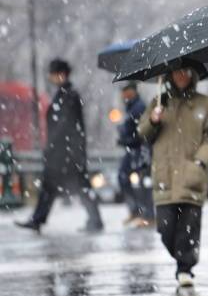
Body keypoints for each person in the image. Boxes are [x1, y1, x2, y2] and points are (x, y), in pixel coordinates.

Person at [137, 63, 208, 288]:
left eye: (186, 70)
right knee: (165, 228)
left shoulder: (206, 104)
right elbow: (142, 134)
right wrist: (153, 120)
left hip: (192, 174)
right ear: (169, 75)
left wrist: (200, 161)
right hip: (164, 175)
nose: (181, 75)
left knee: (189, 226)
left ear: (193, 74)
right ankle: (182, 257)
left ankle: (185, 268)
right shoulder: (159, 103)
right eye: (177, 71)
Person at [15, 59, 104, 233]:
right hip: (65, 153)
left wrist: (54, 148)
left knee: (76, 186)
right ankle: (38, 219)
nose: (50, 77)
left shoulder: (69, 96)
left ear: (61, 74)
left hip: (67, 154)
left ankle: (94, 220)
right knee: (60, 186)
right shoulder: (65, 94)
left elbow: (65, 127)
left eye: (52, 73)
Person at [117, 81, 154, 227]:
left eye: (127, 90)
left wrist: (127, 140)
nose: (124, 94)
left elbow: (141, 132)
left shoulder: (139, 107)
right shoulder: (131, 106)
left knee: (142, 182)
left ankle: (148, 215)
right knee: (124, 177)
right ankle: (136, 211)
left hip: (140, 149)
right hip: (132, 149)